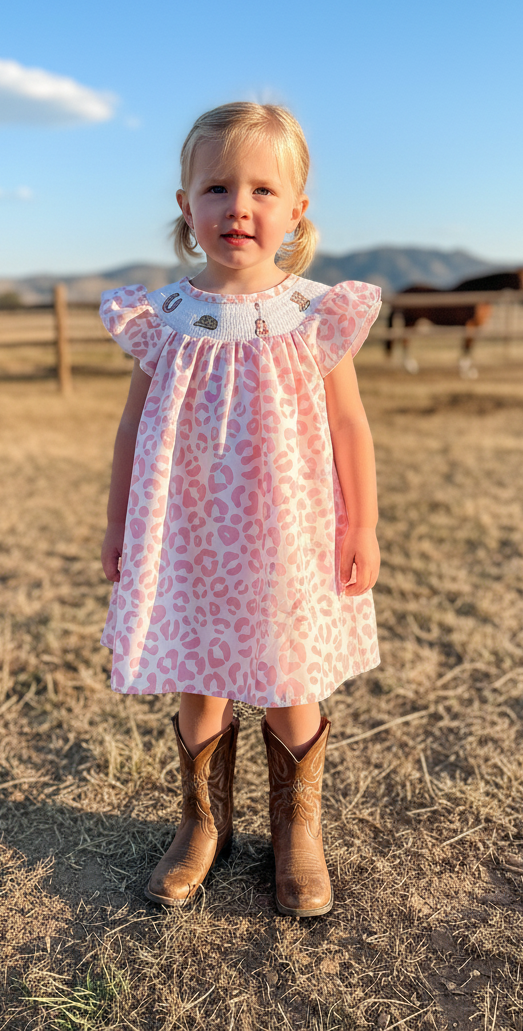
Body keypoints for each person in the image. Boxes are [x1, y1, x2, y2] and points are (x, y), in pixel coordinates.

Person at [99, 102, 381, 917]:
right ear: (187, 207)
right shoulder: (164, 319)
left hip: (287, 533)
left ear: (297, 211)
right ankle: (202, 824)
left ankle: (298, 832)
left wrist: (361, 523)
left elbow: (350, 424)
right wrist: (117, 523)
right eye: (217, 187)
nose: (239, 207)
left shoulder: (314, 315)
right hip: (186, 536)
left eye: (263, 189)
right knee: (199, 673)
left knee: (290, 672)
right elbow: (130, 426)